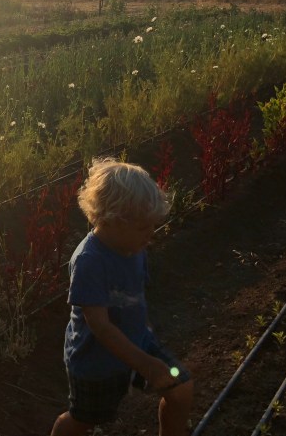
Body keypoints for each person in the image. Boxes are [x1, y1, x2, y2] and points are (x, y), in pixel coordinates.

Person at [50, 158, 193, 436]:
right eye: (143, 228)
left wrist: (145, 340)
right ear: (112, 221)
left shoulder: (135, 249)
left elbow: (134, 298)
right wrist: (146, 364)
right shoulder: (90, 261)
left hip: (138, 343)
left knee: (181, 388)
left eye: (152, 226)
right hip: (96, 362)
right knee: (83, 419)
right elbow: (100, 326)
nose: (150, 234)